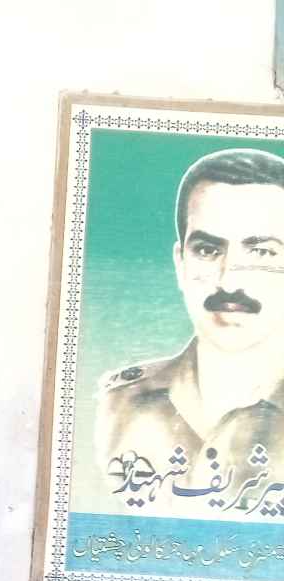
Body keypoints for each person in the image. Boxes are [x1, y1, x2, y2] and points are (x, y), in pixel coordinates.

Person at [97, 148, 284, 509]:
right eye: (208, 250)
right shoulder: (114, 405)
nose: (229, 281)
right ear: (180, 263)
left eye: (261, 252)